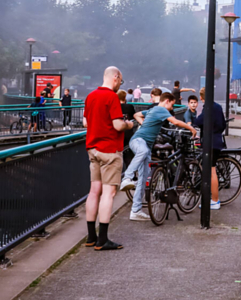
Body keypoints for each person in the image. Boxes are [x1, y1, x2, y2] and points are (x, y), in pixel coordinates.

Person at [120, 92, 198, 221]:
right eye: (172, 105)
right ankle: (127, 178)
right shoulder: (161, 109)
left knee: (143, 179)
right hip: (139, 141)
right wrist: (191, 129)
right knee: (143, 151)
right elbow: (175, 122)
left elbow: (136, 114)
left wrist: (144, 124)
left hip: (144, 144)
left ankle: (135, 211)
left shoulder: (153, 109)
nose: (172, 109)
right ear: (167, 101)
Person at [83, 66, 135, 251]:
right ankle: (103, 239)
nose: (120, 83)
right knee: (109, 193)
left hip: (93, 149)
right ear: (116, 77)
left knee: (93, 191)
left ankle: (91, 236)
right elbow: (118, 125)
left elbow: (85, 122)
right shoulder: (112, 97)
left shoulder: (90, 96)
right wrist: (129, 124)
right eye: (121, 80)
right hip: (110, 151)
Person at [194, 97, 226, 210]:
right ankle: (213, 199)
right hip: (217, 140)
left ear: (202, 97)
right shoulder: (218, 106)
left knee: (211, 171)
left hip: (210, 142)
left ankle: (215, 200)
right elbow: (223, 124)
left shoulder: (207, 107)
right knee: (210, 170)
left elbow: (199, 121)